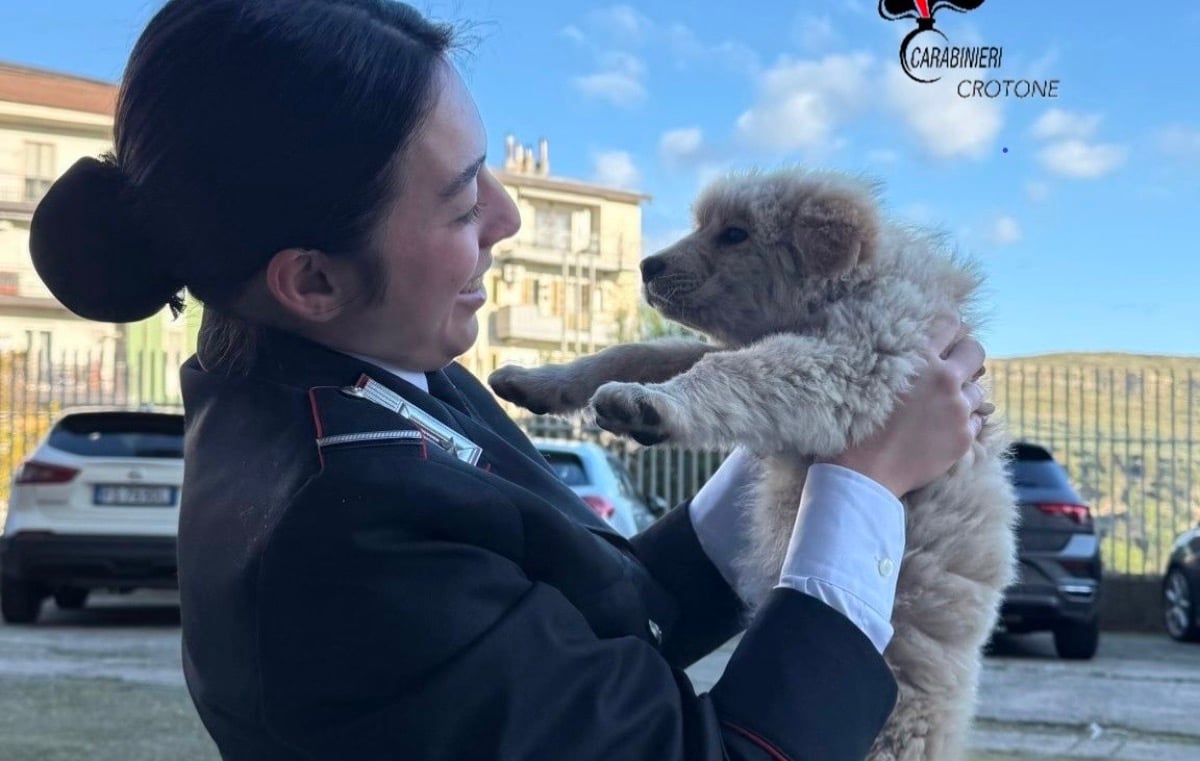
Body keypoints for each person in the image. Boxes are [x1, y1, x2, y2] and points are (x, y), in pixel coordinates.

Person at [28, 1, 990, 759]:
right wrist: (865, 488)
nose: (508, 218)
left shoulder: (359, 382)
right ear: (312, 278)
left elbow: (584, 622)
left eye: (487, 170)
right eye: (460, 201)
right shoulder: (346, 536)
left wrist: (813, 436)